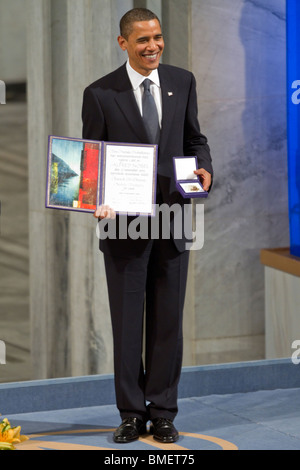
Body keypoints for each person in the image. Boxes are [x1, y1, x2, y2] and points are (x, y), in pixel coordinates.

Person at [82, 8, 213, 444]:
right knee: (127, 325)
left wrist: (205, 170)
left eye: (157, 37)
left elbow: (195, 139)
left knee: (167, 325)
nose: (153, 46)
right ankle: (131, 415)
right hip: (122, 228)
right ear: (124, 43)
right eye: (142, 40)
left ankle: (163, 414)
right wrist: (95, 201)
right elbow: (91, 163)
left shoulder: (183, 80)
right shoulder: (100, 93)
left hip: (174, 221)